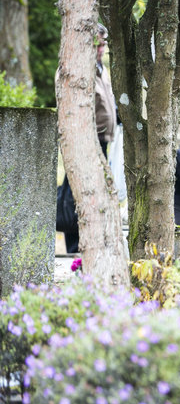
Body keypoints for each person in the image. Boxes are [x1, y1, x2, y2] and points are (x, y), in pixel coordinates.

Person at [57, 23, 117, 253]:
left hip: (102, 140)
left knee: (92, 192)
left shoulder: (100, 68)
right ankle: (74, 246)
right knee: (75, 193)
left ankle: (87, 243)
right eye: (97, 44)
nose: (101, 48)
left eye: (103, 44)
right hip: (84, 141)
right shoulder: (76, 68)